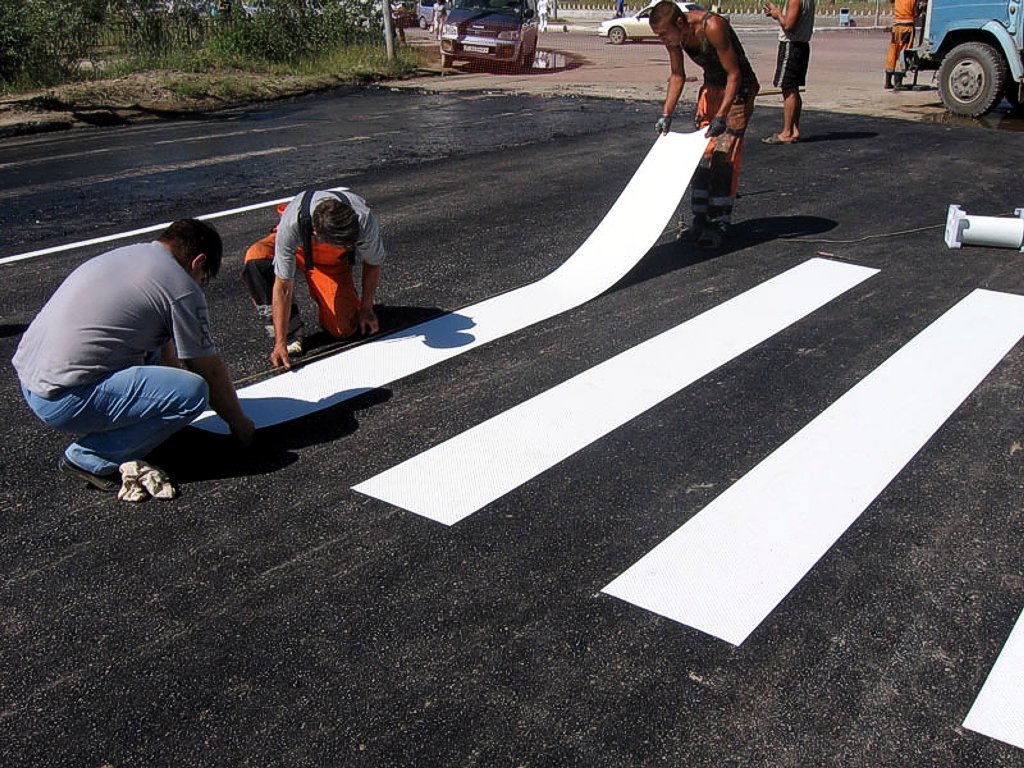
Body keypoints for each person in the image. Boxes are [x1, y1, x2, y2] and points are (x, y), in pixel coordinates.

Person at [12, 219, 255, 493]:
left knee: (157, 355)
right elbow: (206, 369)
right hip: (63, 399)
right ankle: (88, 458)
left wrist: (170, 410)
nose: (200, 284)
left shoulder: (129, 256)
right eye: (203, 278)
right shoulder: (181, 286)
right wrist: (239, 423)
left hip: (30, 380)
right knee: (195, 393)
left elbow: (164, 351)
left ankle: (151, 433)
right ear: (198, 262)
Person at [650, 0, 759, 250]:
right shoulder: (675, 37)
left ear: (680, 23)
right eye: (659, 36)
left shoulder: (712, 26)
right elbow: (677, 75)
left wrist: (722, 115)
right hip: (712, 88)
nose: (663, 41)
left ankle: (719, 222)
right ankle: (700, 219)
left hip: (738, 90)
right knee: (701, 156)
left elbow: (734, 75)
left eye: (664, 34)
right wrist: (666, 113)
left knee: (723, 156)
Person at [241, 189, 385, 370]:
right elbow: (283, 286)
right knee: (256, 257)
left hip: (331, 261)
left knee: (344, 329)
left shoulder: (364, 220)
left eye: (352, 243)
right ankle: (290, 332)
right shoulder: (291, 226)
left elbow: (372, 264)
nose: (351, 246)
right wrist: (280, 342)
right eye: (345, 243)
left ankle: (345, 300)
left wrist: (366, 308)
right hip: (301, 245)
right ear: (317, 233)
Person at [761, 0, 815, 144]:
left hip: (791, 46)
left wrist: (778, 14)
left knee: (788, 88)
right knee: (794, 88)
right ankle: (794, 129)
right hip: (802, 46)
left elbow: (788, 24)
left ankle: (787, 132)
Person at [884, 0, 919, 90]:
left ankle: (888, 82)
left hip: (896, 27)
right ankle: (898, 83)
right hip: (906, 27)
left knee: (892, 53)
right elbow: (915, 13)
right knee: (903, 54)